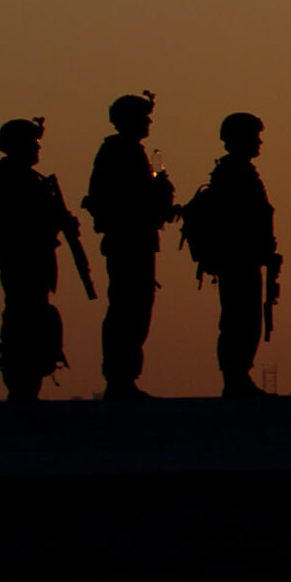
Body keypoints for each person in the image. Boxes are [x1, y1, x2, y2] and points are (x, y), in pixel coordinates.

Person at [0, 118, 83, 401]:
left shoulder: (26, 177)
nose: (37, 149)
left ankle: (29, 379)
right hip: (21, 260)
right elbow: (12, 221)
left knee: (34, 317)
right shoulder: (7, 177)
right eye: (33, 143)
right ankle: (21, 381)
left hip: (36, 259)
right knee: (23, 318)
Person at [83, 92, 176, 399]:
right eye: (144, 117)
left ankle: (124, 378)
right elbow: (130, 201)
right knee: (127, 310)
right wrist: (159, 191)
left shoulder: (130, 152)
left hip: (137, 240)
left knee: (135, 310)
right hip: (128, 241)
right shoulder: (120, 153)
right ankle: (120, 379)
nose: (148, 123)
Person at [185, 112, 279, 397]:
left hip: (246, 257)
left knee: (246, 319)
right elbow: (239, 219)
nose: (259, 142)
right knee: (239, 319)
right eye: (254, 136)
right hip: (237, 259)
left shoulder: (239, 171)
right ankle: (235, 378)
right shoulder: (233, 174)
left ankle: (238, 376)